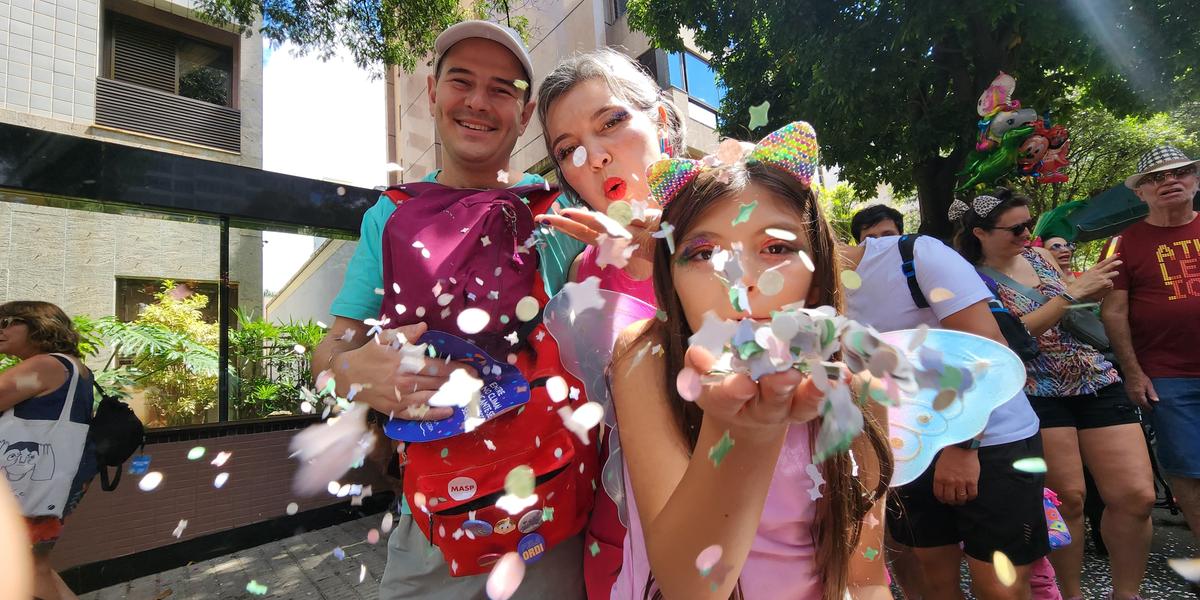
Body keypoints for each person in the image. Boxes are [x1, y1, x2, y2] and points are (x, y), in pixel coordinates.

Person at [313, 21, 589, 599]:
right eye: (461, 81)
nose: (478, 103)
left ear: (525, 109)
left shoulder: (559, 215)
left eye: (501, 89)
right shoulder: (388, 217)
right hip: (435, 521)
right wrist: (352, 374)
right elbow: (330, 354)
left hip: (553, 515)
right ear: (434, 91)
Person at [610, 122, 893, 600]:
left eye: (776, 248)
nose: (740, 280)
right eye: (703, 253)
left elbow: (866, 577)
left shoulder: (859, 377)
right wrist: (745, 433)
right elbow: (690, 586)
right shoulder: (646, 358)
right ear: (671, 280)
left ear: (819, 276)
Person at [955, 188, 1155, 600]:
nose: (1029, 233)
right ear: (980, 232)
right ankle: (1071, 593)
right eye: (1016, 228)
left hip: (1093, 377)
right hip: (1035, 388)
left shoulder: (1040, 257)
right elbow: (1008, 337)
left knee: (1136, 495)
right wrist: (1070, 296)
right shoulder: (970, 278)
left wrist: (1092, 291)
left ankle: (1127, 593)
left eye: (1030, 223)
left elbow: (1072, 309)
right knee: (1069, 500)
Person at [535, 48, 683, 598]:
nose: (593, 158)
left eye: (612, 123)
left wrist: (666, 260)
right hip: (621, 531)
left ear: (662, 121)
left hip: (755, 517)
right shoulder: (584, 267)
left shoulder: (743, 215)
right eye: (568, 150)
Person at [843, 233, 1050, 600]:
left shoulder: (917, 255)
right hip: (909, 447)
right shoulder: (801, 296)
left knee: (1000, 588)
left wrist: (963, 446)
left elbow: (986, 351)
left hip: (990, 440)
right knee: (934, 580)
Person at [1102, 145, 1200, 542]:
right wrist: (1134, 372)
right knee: (1188, 470)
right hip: (1167, 376)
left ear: (1195, 180)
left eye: (1179, 172)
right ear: (1139, 193)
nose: (1169, 181)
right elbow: (1113, 312)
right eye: (1154, 178)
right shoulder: (1123, 243)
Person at [0, 301, 97, 600]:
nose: (0, 329)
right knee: (36, 566)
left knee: (28, 569)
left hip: (29, 487)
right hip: (52, 487)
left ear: (39, 325)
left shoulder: (46, 366)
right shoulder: (76, 369)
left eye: (7, 322)